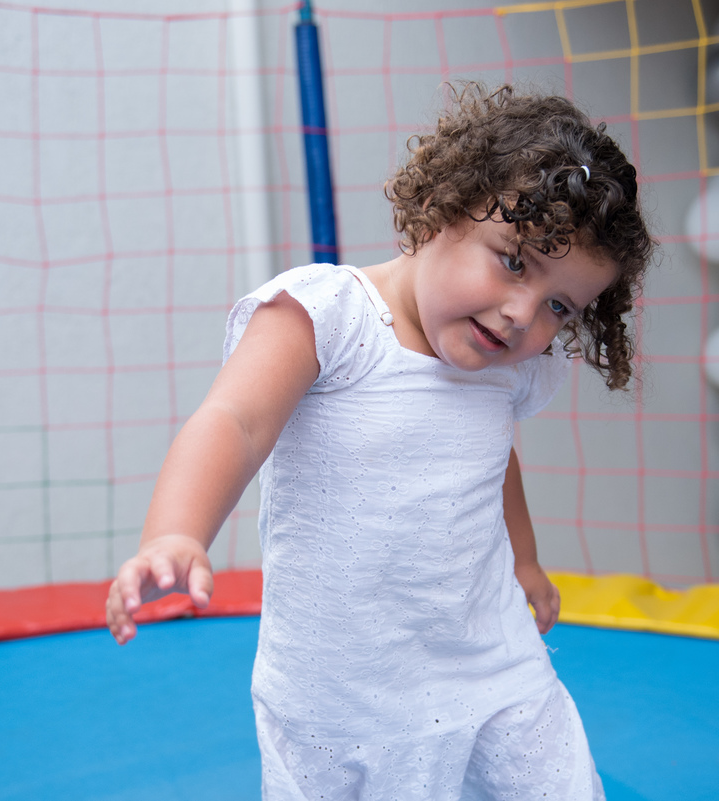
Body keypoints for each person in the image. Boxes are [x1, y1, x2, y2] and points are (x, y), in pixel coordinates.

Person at [106, 84, 653, 799]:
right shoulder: (330, 318)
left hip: (491, 661)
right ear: (446, 207)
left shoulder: (505, 367)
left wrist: (524, 560)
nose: (523, 313)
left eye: (559, 305)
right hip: (341, 689)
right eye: (514, 261)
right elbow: (234, 421)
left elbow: (492, 461)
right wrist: (175, 532)